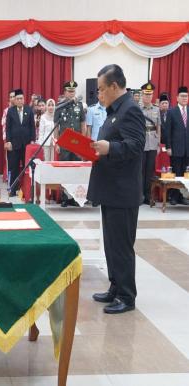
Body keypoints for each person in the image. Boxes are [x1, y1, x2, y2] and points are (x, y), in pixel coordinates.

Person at [88, 64, 145, 314]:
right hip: (111, 189)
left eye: (101, 89)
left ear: (114, 86)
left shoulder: (130, 110)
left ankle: (126, 295)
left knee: (121, 246)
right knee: (111, 244)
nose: (99, 94)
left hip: (123, 191)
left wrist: (108, 148)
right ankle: (115, 286)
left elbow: (135, 146)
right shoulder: (115, 111)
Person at [54, 80, 87, 207]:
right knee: (65, 170)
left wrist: (83, 141)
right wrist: (56, 142)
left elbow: (83, 124)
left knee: (76, 170)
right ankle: (64, 197)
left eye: (73, 91)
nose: (72, 93)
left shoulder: (80, 105)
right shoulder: (60, 106)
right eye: (69, 91)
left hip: (77, 142)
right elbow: (56, 126)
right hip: (64, 142)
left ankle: (75, 197)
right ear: (65, 92)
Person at [5, 88, 35, 196]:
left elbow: (32, 127)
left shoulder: (29, 110)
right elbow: (7, 128)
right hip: (14, 144)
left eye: (21, 98)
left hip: (26, 145)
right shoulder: (11, 111)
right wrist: (8, 141)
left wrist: (32, 140)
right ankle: (13, 190)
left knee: (27, 168)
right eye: (17, 99)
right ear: (15, 100)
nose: (19, 100)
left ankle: (27, 190)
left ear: (24, 99)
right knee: (14, 167)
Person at [165, 86, 189, 206]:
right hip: (175, 148)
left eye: (186, 96)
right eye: (182, 96)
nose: (185, 98)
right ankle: (173, 197)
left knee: (185, 174)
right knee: (176, 173)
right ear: (177, 98)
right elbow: (167, 131)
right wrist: (168, 147)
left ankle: (181, 196)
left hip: (187, 149)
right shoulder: (171, 112)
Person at [140, 81, 161, 205]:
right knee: (140, 171)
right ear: (142, 95)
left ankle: (148, 196)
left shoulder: (156, 109)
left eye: (150, 95)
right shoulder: (137, 108)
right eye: (146, 95)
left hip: (152, 142)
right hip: (141, 143)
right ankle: (140, 195)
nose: (148, 97)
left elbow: (158, 127)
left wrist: (158, 144)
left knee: (150, 171)